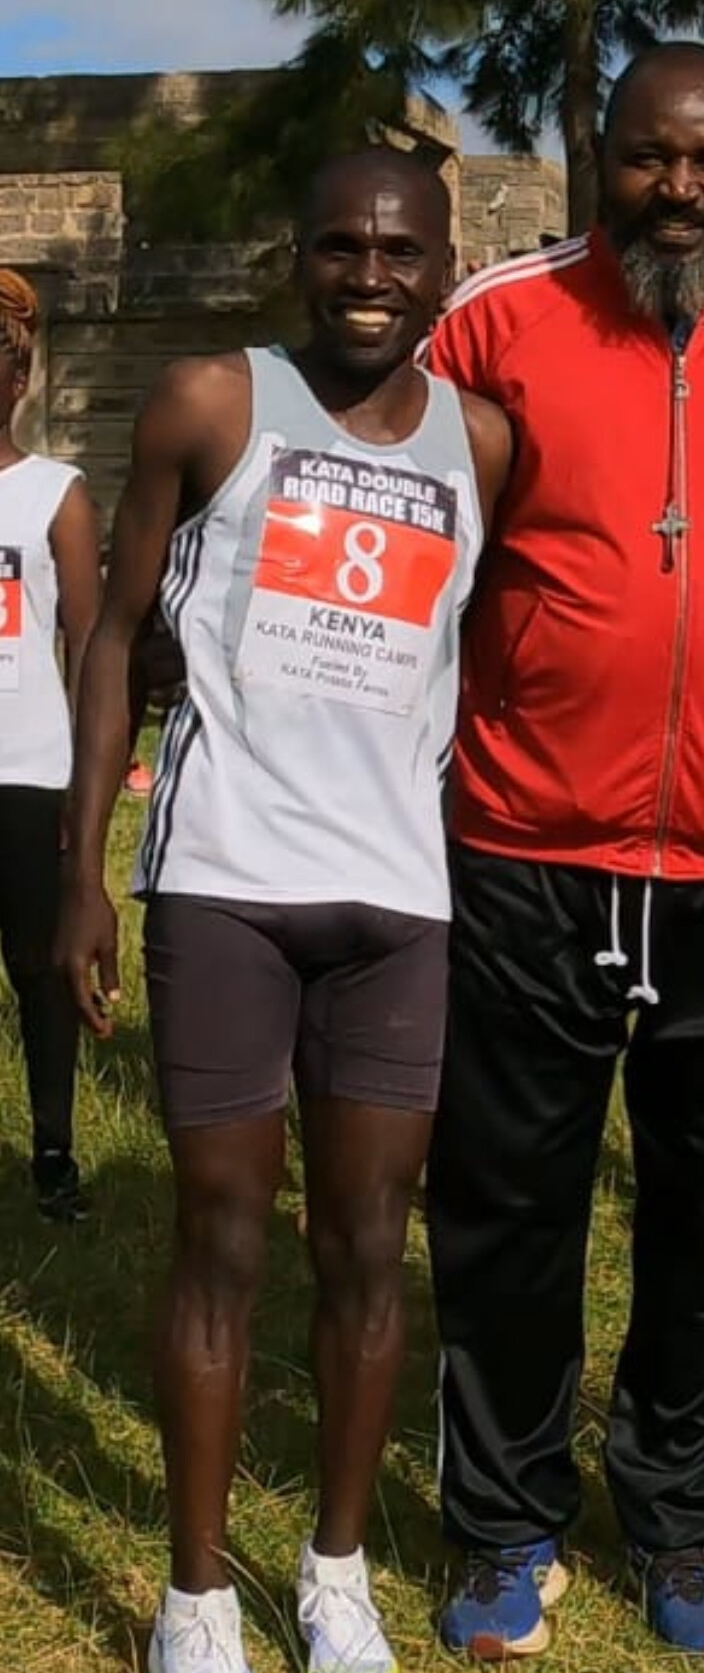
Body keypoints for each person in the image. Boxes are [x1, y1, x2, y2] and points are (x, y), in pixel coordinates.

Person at [426, 41, 704, 1662]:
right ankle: (505, 1522)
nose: (677, 188)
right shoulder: (493, 321)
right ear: (599, 158)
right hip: (527, 846)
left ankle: (681, 1519)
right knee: (508, 1204)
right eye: (646, 156)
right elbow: (427, 552)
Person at [57, 148, 510, 1673]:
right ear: (298, 256)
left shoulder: (483, 444)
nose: (370, 275)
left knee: (371, 1248)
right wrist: (83, 874)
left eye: (400, 251)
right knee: (221, 1237)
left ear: (445, 268)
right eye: (340, 247)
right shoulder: (211, 401)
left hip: (396, 900)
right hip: (225, 884)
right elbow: (114, 637)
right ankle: (194, 1594)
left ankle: (336, 1570)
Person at [0, 268, 100, 1222]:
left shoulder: (56, 496)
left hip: (28, 773)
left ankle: (54, 1150)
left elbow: (91, 648)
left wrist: (84, 789)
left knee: (39, 969)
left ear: (20, 374)